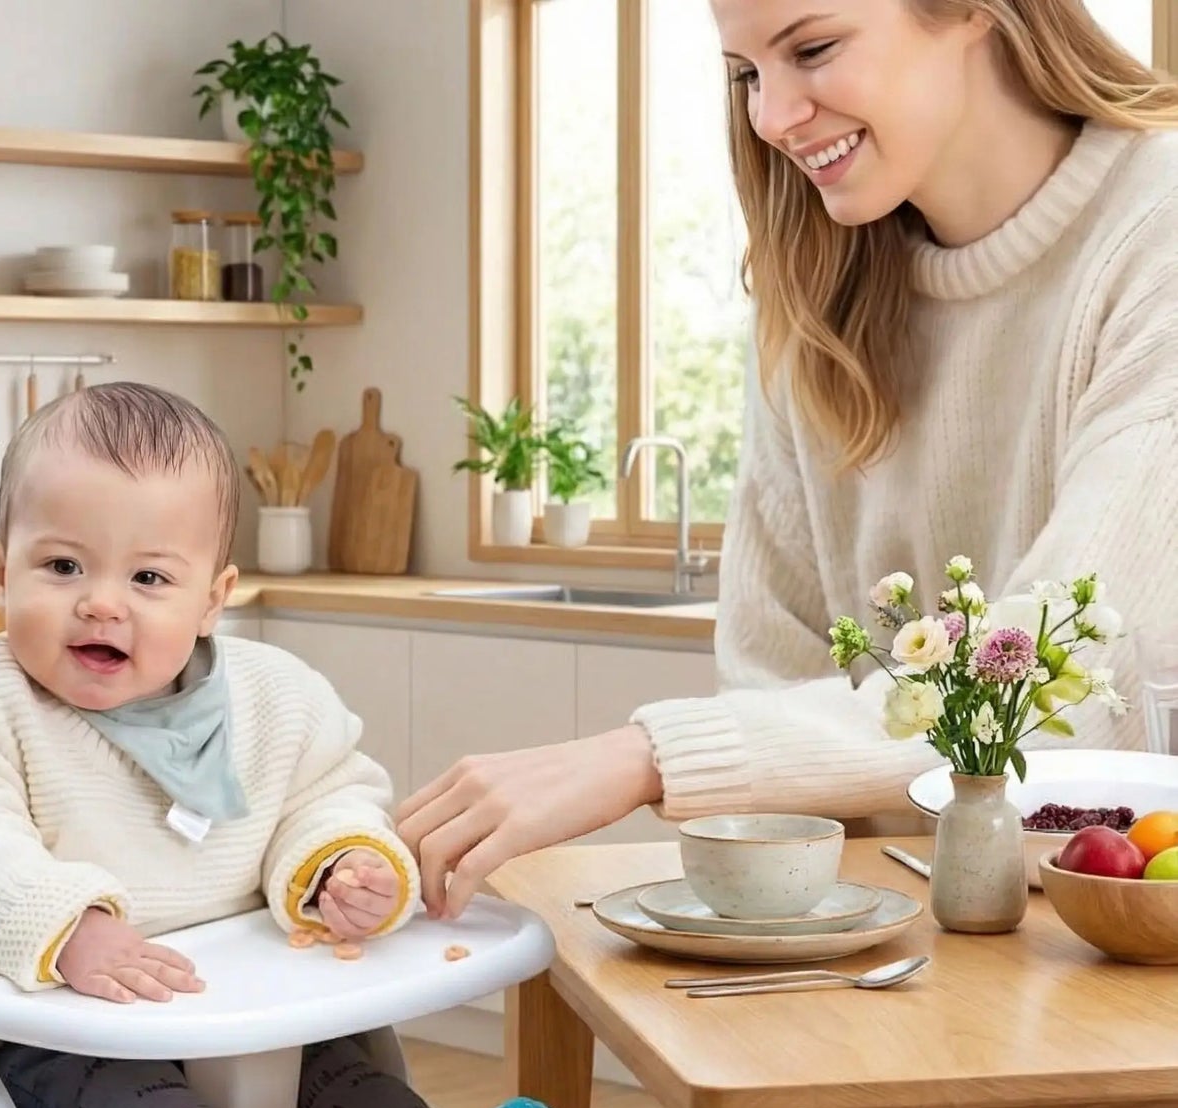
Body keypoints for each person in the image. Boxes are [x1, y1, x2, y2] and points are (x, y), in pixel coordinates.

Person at [397, 0, 1178, 921]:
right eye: (745, 73)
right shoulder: (814, 294)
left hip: (1111, 938)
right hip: (899, 923)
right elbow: (771, 673)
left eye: (812, 48)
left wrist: (647, 753)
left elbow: (1074, 667)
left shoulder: (1154, 230)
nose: (770, 119)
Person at [0, 381, 562, 1108]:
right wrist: (67, 927)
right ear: (0, 570)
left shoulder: (276, 698)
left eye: (149, 576)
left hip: (230, 1006)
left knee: (329, 1067)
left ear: (213, 597)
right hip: (31, 1020)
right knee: (95, 1092)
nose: (102, 602)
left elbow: (329, 790)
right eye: (62, 567)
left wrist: (339, 864)